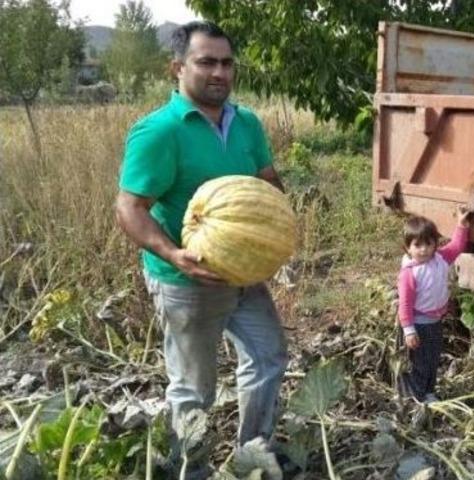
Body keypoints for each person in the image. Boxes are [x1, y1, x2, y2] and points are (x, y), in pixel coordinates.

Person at [114, 21, 288, 471]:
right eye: (206, 61)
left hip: (243, 272)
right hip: (186, 280)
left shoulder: (247, 122)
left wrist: (275, 219)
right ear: (177, 67)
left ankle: (251, 451)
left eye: (227, 63)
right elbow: (130, 208)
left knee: (268, 357)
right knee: (195, 388)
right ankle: (190, 466)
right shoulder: (158, 131)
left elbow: (267, 180)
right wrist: (174, 256)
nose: (219, 72)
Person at [398, 209, 471, 403]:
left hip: (435, 322)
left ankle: (429, 391)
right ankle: (418, 396)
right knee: (420, 362)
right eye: (417, 245)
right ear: (408, 248)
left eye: (429, 243)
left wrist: (461, 225)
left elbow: (456, 246)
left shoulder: (440, 258)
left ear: (435, 244)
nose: (424, 249)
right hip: (419, 324)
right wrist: (408, 330)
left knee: (433, 358)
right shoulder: (410, 273)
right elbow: (404, 305)